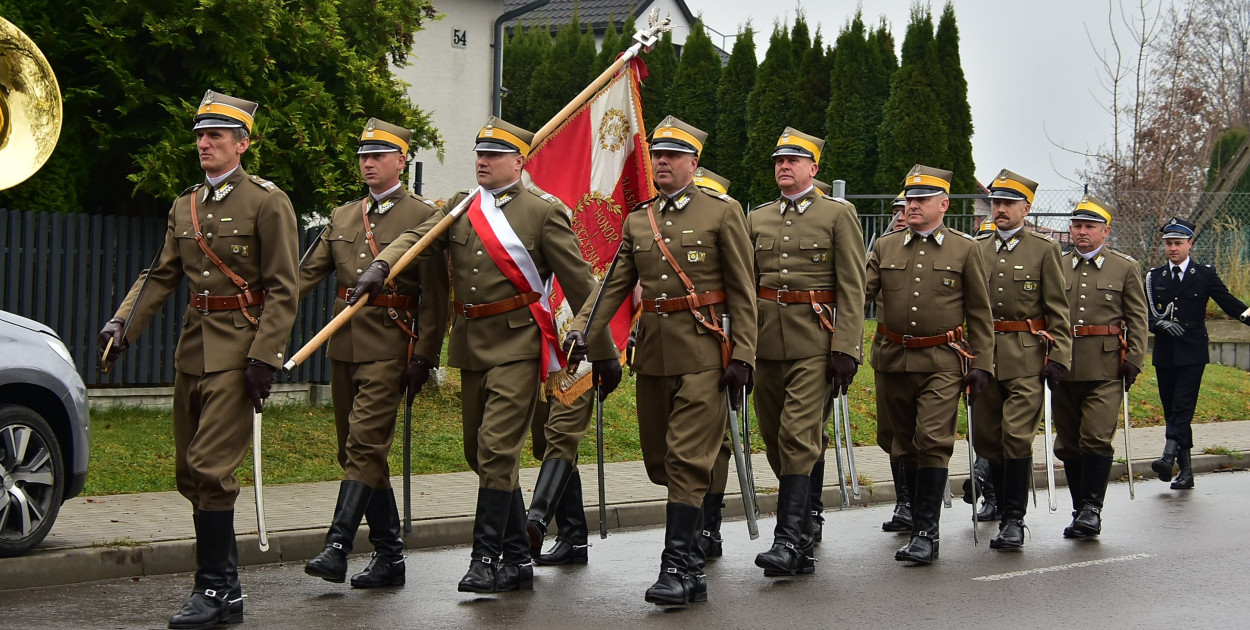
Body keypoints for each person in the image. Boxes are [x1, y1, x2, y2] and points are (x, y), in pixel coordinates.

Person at [349, 117, 620, 593]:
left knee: (497, 451)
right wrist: (381, 264)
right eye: (479, 154)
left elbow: (583, 286)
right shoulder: (461, 206)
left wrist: (603, 353)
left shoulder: (542, 212)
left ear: (519, 161)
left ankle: (485, 559)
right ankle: (518, 558)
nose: (482, 162)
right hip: (472, 343)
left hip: (519, 343)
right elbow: (419, 237)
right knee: (478, 454)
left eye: (494, 155)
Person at [97, 90, 298, 628]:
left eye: (215, 136)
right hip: (194, 349)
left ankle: (213, 589)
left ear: (242, 144)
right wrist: (123, 323)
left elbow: (284, 287)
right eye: (200, 136)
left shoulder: (266, 201)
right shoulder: (184, 204)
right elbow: (161, 274)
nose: (203, 143)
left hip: (242, 352)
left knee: (211, 467)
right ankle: (223, 590)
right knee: (190, 472)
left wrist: (266, 357)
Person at [564, 116, 757, 605]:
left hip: (703, 353)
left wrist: (745, 358)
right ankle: (692, 568)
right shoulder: (638, 218)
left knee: (687, 459)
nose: (663, 162)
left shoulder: (722, 213)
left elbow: (743, 292)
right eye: (658, 155)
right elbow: (614, 283)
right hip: (652, 354)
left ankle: (676, 567)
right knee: (658, 460)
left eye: (673, 156)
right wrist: (582, 329)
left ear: (694, 163)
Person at [298, 118, 449, 587]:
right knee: (359, 450)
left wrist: (424, 357)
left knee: (364, 444)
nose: (368, 163)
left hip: (391, 346)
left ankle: (337, 546)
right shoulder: (344, 216)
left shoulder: (424, 215)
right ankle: (390, 555)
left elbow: (437, 296)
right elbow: (304, 276)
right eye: (363, 156)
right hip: (345, 347)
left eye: (378, 155)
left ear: (400, 160)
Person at [747, 127, 865, 576]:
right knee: (778, 440)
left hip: (815, 344)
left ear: (813, 169)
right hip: (764, 342)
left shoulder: (838, 215)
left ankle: (789, 540)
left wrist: (846, 348)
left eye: (793, 161)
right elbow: (744, 287)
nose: (784, 167)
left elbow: (852, 287)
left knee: (798, 435)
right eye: (779, 160)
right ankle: (808, 514)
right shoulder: (757, 217)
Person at [863, 164, 994, 565]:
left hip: (942, 360)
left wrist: (982, 364)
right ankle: (915, 517)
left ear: (944, 204)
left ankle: (926, 533)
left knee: (931, 440)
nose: (912, 205)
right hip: (893, 358)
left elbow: (979, 312)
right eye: (909, 198)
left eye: (921, 199)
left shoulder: (964, 248)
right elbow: (856, 295)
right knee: (900, 442)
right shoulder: (885, 247)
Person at [971, 169, 1072, 549]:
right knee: (987, 438)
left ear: (1026, 208)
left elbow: (1058, 310)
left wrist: (1059, 354)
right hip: (984, 354)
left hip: (1027, 356)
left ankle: (1014, 519)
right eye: (996, 202)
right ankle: (997, 502)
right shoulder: (977, 248)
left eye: (1008, 203)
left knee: (1015, 436)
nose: (1000, 209)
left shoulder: (1044, 251)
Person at [1055, 195, 1147, 538]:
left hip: (1107, 367)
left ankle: (1093, 509)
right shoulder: (1058, 265)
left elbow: (1138, 318)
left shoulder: (1124, 267)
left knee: (1095, 437)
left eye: (1089, 226)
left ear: (1105, 231)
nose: (1081, 232)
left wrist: (1134, 359)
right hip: (1063, 367)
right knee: (1067, 443)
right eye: (1077, 225)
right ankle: (1080, 509)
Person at [1146, 217, 1250, 489]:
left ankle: (1168, 457)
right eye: (1168, 244)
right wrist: (1158, 323)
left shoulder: (1204, 274)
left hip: (1193, 350)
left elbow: (1229, 303)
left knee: (1183, 406)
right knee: (1172, 409)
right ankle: (1187, 471)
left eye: (1178, 243)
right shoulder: (1154, 276)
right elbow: (1142, 315)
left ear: (1190, 244)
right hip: (1166, 351)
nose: (1173, 249)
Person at [690, 166, 735, 560]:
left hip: (721, 341)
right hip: (682, 343)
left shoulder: (725, 221)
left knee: (717, 442)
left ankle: (710, 526)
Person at [877, 190, 912, 534]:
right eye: (897, 210)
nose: (901, 215)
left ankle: (918, 506)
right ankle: (903, 501)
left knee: (924, 434)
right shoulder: (884, 247)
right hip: (889, 349)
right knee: (892, 432)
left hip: (931, 356)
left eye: (906, 209)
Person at [527, 390, 594, 564]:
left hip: (577, 369)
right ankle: (573, 538)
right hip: (542, 370)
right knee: (546, 445)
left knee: (561, 438)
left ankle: (536, 521)